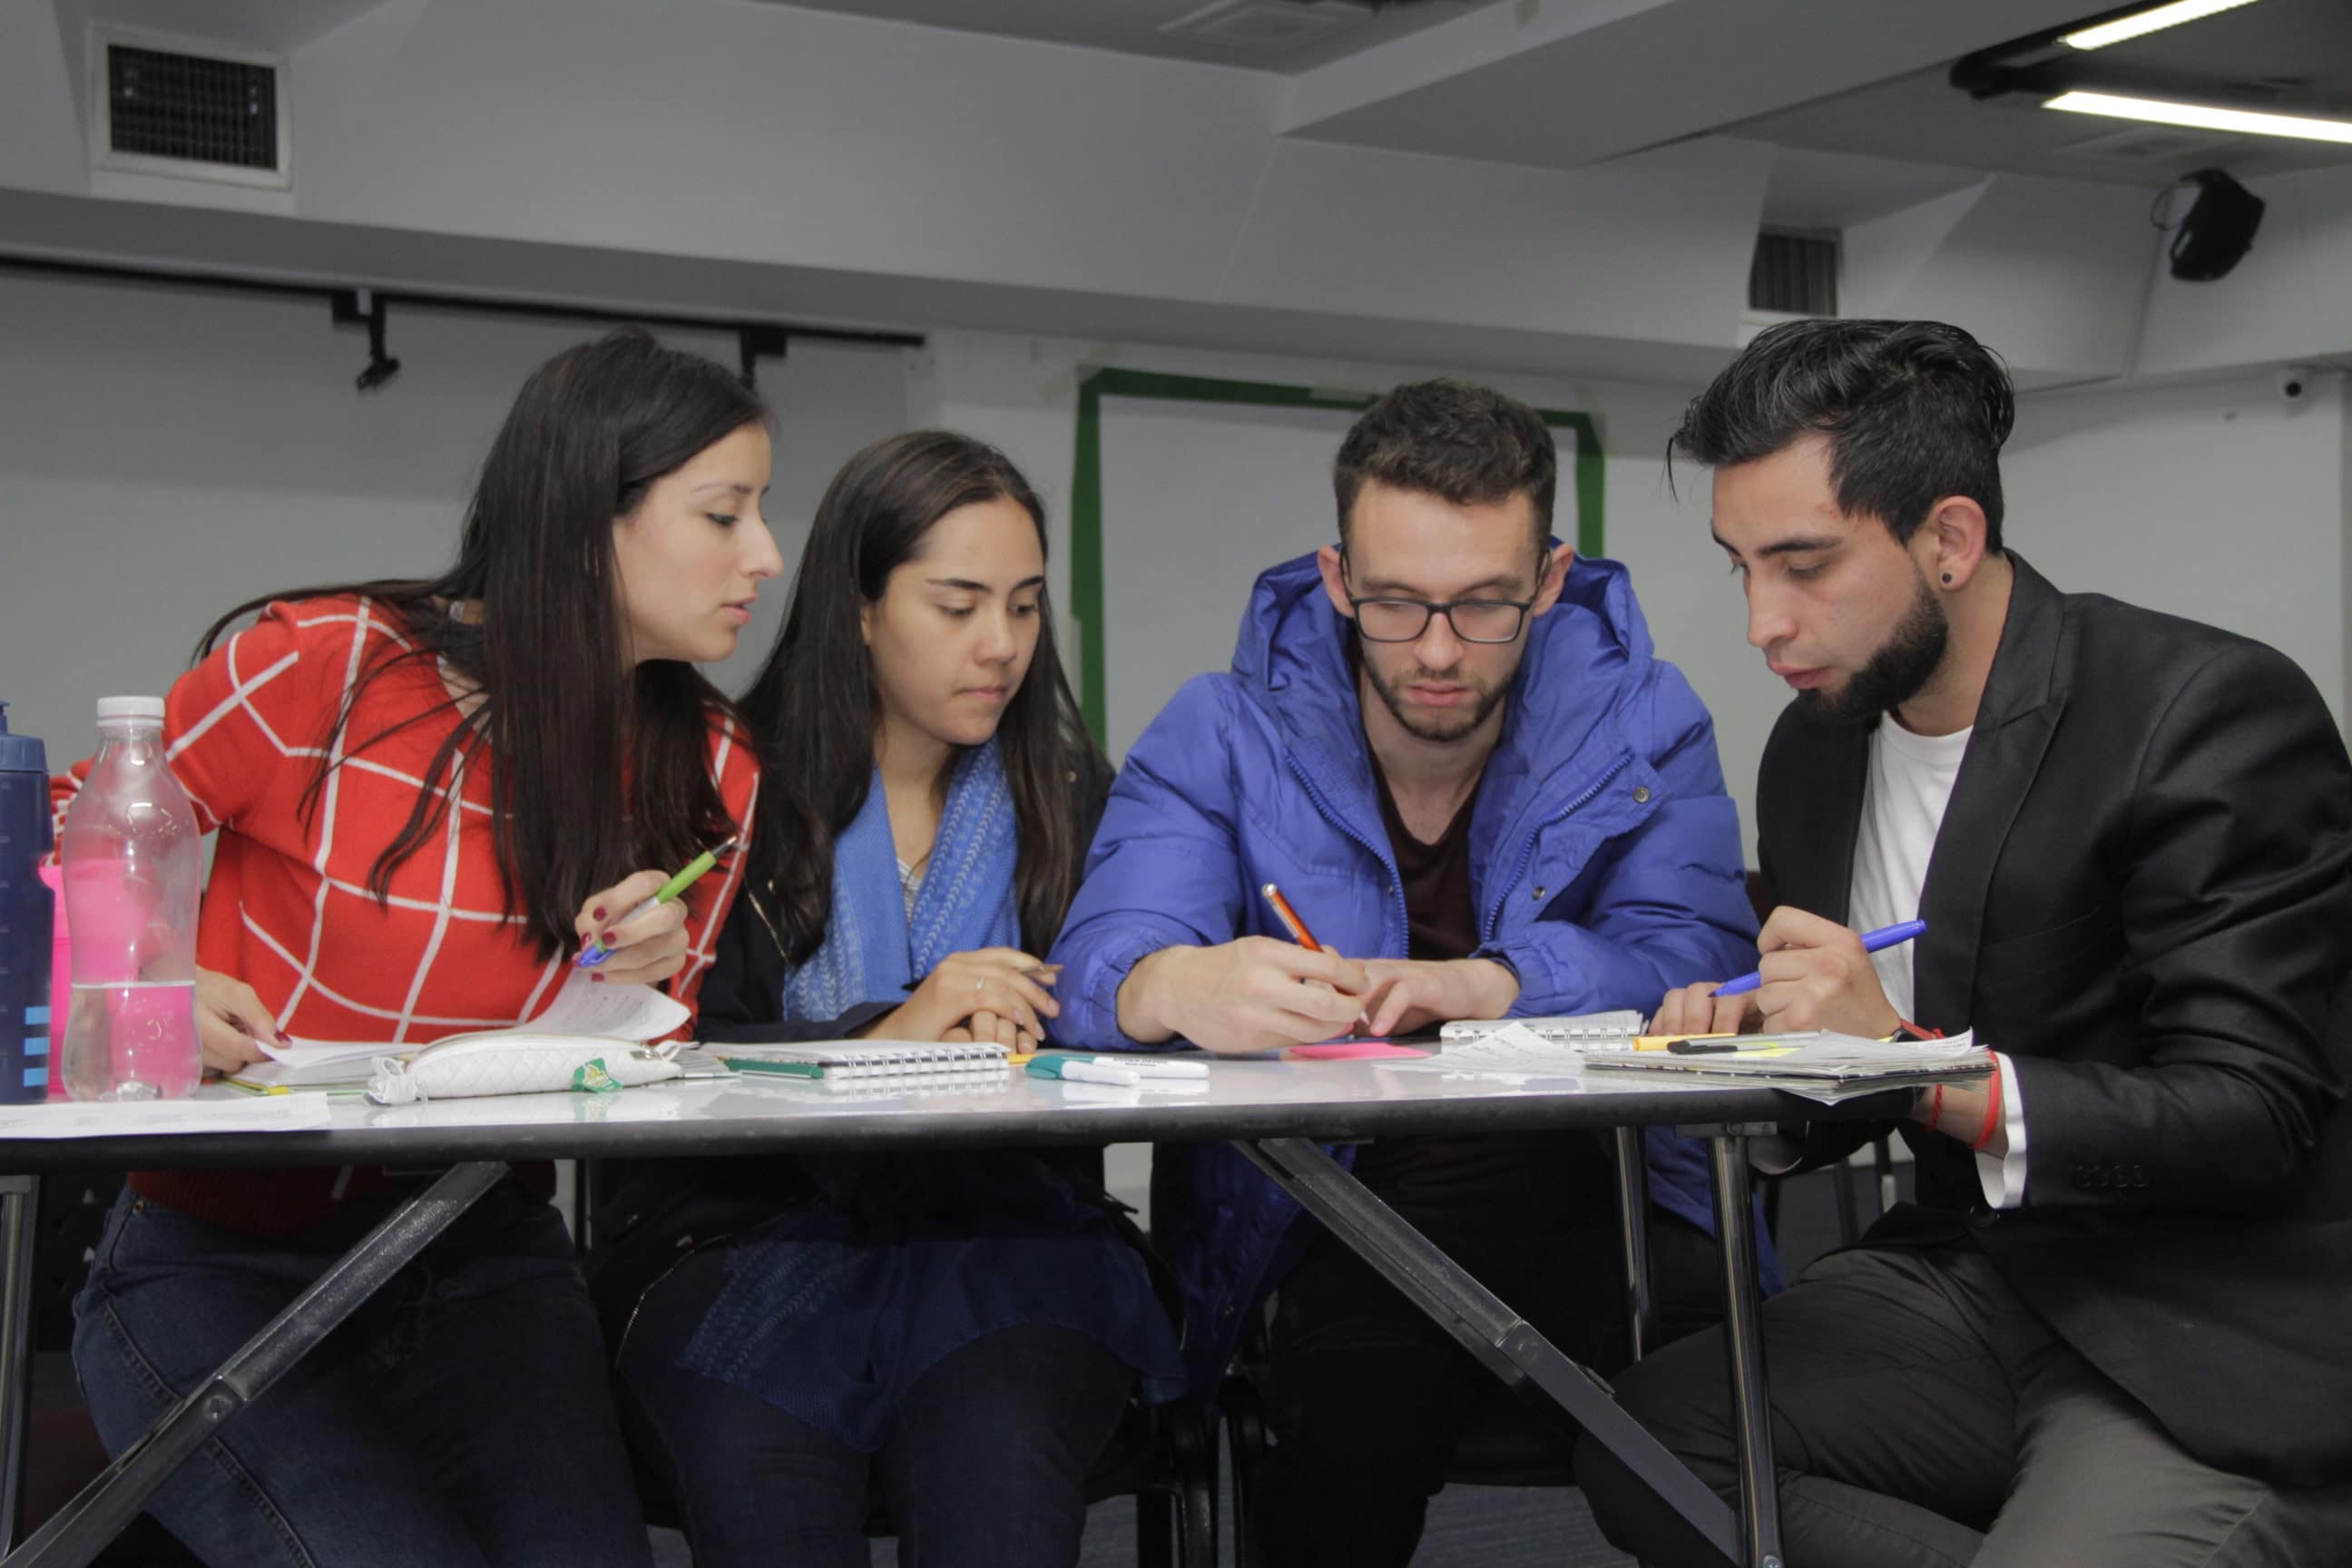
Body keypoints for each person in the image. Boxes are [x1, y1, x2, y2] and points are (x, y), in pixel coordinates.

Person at [1574, 318, 2352, 1566]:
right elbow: (1859, 1071)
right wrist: (1764, 1054)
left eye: (1804, 566)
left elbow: (2253, 1115)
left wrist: (1910, 1062)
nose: (1764, 622)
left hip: (2206, 1314)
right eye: (1742, 569)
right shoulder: (1819, 747)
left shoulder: (2198, 711)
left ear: (1949, 538)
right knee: (1639, 1441)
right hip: (1982, 1283)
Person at [59, 329, 776, 1567]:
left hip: (482, 1259)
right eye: (724, 514)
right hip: (215, 1264)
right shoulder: (325, 668)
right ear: (584, 517)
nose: (765, 554)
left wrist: (652, 984)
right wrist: (148, 976)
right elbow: (70, 833)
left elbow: (652, 1076)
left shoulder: (713, 765)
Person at [1049, 378, 1760, 1564]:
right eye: (1394, 604)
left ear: (1549, 578)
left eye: (1483, 605)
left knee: (1741, 1442)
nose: (1436, 650)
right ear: (1336, 580)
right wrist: (1171, 985)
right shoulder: (1219, 733)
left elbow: (1700, 964)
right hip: (1333, 1218)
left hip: (1612, 1199)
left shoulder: (1645, 720)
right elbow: (1092, 965)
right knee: (1341, 1426)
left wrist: (1497, 984)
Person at [586, 431, 1185, 1568]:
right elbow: (649, 1054)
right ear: (857, 609)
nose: (1001, 645)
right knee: (764, 1479)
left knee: (996, 1465)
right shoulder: (711, 787)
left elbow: (1124, 1014)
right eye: (957, 606)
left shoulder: (1071, 799)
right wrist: (884, 1038)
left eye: (1024, 606)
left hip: (1009, 1230)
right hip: (740, 1237)